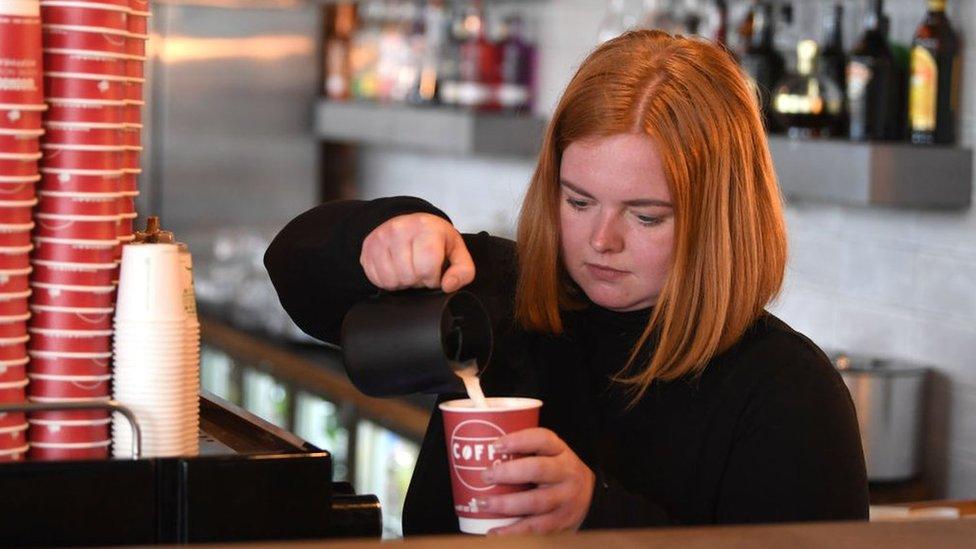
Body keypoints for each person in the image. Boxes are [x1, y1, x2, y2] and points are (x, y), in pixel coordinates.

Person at [265, 30, 869, 536]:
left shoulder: (788, 393)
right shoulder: (498, 293)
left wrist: (595, 516)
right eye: (578, 201)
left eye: (646, 215)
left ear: (721, 218)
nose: (601, 240)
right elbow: (294, 272)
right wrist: (384, 231)